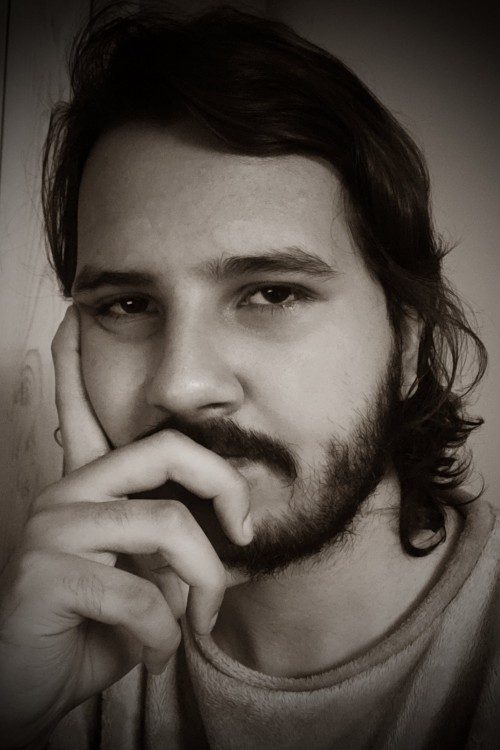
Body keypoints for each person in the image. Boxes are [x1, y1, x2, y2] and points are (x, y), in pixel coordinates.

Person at [0, 4, 497, 749]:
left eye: (272, 293)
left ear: (406, 344)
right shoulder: (51, 640)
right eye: (127, 305)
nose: (181, 385)